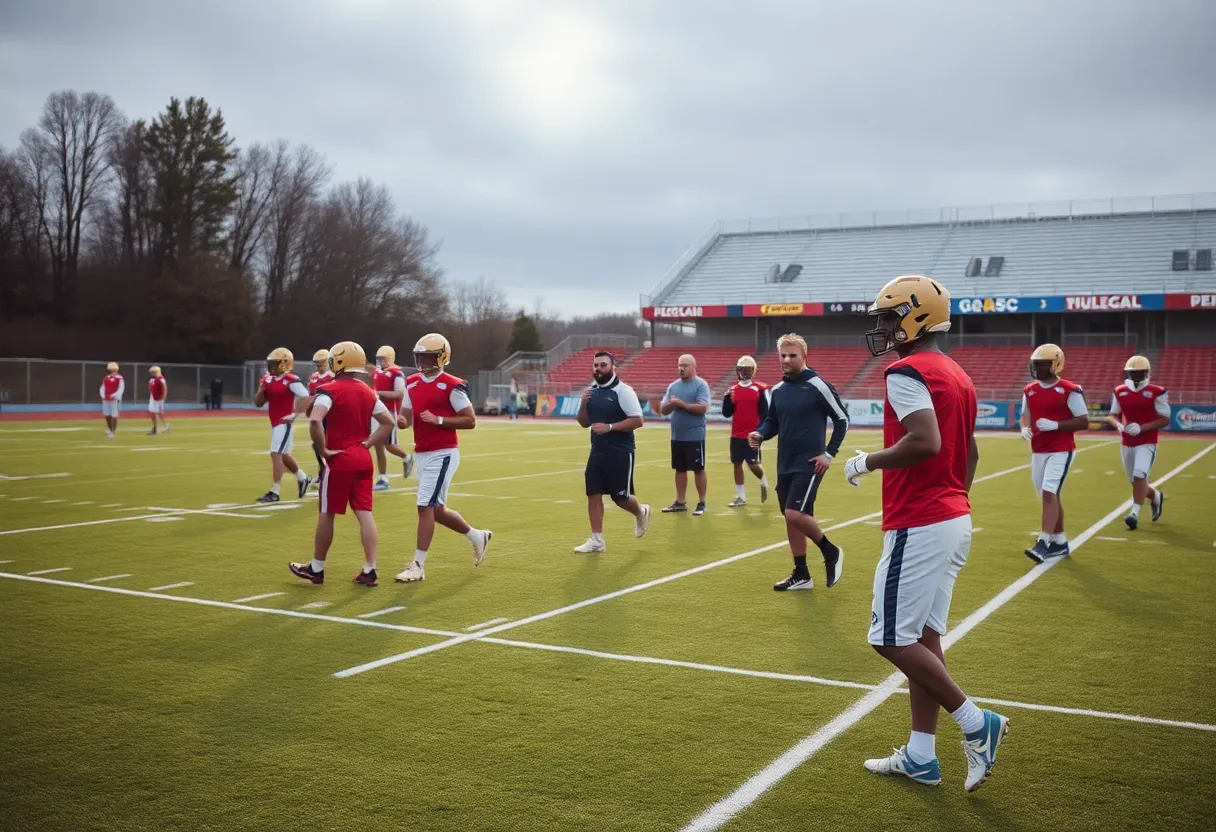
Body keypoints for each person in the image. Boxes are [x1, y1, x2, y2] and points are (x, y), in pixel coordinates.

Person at [846, 274, 1008, 793]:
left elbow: (925, 441)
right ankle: (921, 755)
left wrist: (866, 461)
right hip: (951, 515)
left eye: (889, 317)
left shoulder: (906, 369)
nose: (882, 327)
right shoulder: (956, 372)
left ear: (916, 315)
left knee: (889, 638)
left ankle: (976, 723)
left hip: (922, 519)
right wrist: (953, 500)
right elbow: (971, 453)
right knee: (924, 637)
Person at [289, 341, 395, 587]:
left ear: (337, 361)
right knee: (365, 514)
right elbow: (387, 422)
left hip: (339, 459)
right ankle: (370, 568)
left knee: (327, 514)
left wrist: (323, 449)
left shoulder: (330, 390)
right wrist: (368, 443)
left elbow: (315, 421)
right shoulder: (369, 391)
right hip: (362, 458)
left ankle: (317, 567)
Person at [748, 334, 847, 591]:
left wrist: (829, 454)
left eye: (792, 355)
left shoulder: (818, 385)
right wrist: (760, 433)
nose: (787, 360)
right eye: (783, 355)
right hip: (785, 462)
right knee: (791, 517)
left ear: (804, 356)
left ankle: (831, 551)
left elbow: (842, 420)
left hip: (810, 463)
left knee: (794, 513)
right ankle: (801, 574)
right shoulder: (777, 390)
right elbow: (773, 422)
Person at [393, 333, 492, 583]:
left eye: (428, 356)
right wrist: (400, 421)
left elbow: (470, 420)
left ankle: (418, 565)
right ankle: (477, 536)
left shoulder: (451, 384)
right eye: (421, 356)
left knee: (424, 506)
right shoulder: (412, 382)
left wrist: (439, 420)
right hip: (423, 452)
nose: (423, 361)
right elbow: (406, 416)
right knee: (436, 510)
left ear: (441, 357)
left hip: (444, 452)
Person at [574, 351, 650, 553]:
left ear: (613, 367)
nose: (598, 369)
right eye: (596, 365)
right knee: (593, 493)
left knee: (621, 498)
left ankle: (641, 511)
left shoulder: (623, 391)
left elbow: (638, 420)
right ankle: (597, 540)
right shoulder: (591, 391)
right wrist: (583, 404)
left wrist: (609, 427)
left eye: (603, 365)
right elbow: (583, 423)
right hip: (597, 451)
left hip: (621, 452)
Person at [1019, 344, 1089, 563]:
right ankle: (1060, 541)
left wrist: (1056, 425)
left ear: (1055, 364)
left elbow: (1084, 421)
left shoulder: (1070, 389)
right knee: (1048, 495)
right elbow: (1026, 413)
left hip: (1061, 449)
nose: (1037, 367)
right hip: (1038, 450)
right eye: (1035, 363)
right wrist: (1024, 427)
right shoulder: (1029, 389)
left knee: (1049, 492)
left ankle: (1043, 543)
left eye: (1042, 363)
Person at [1105, 355, 1169, 530]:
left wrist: (1142, 428)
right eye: (1132, 373)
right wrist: (1118, 424)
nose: (1135, 377)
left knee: (1140, 475)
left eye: (1138, 373)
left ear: (1146, 373)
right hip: (1126, 442)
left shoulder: (1157, 392)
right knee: (1136, 482)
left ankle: (1134, 514)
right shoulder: (1119, 390)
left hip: (1147, 441)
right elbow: (1112, 414)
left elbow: (1165, 419)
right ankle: (1155, 496)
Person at [253, 347, 313, 503]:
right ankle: (303, 478)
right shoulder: (268, 379)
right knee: (284, 455)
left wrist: (295, 414)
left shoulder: (291, 379)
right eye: (271, 363)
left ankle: (275, 491)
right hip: (274, 422)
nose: (271, 366)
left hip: (283, 422)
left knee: (276, 453)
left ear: (284, 364)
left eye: (275, 363)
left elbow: (306, 397)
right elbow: (258, 403)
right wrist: (261, 390)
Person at [660, 353, 712, 515]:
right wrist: (671, 404)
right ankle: (680, 501)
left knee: (698, 468)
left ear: (693, 367)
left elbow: (703, 408)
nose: (681, 368)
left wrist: (682, 404)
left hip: (695, 435)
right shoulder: (673, 386)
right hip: (677, 436)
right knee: (680, 469)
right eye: (679, 365)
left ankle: (702, 502)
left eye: (685, 365)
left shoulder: (700, 385)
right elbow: (663, 409)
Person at [722, 355, 770, 506]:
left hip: (752, 434)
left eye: (747, 370)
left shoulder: (760, 389)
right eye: (742, 369)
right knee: (737, 464)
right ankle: (741, 497)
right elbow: (726, 412)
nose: (744, 373)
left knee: (753, 464)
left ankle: (763, 481)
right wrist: (727, 399)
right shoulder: (732, 390)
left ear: (753, 371)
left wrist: (761, 432)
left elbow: (765, 413)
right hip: (736, 434)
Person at [372, 345, 414, 490]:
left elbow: (400, 393)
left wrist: (379, 394)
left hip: (389, 412)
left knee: (389, 445)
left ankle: (406, 456)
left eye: (383, 358)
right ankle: (383, 478)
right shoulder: (376, 372)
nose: (381, 361)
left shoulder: (396, 373)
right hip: (375, 412)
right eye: (379, 359)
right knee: (377, 445)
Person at [306, 349, 335, 486]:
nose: (318, 365)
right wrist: (308, 409)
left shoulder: (333, 376)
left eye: (320, 362)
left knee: (329, 443)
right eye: (316, 363)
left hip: (332, 415)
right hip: (319, 415)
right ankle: (323, 471)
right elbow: (310, 396)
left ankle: (331, 472)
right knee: (317, 444)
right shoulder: (313, 378)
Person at [100, 362, 124, 438]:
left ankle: (112, 431)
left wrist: (114, 395)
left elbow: (121, 388)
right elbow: (102, 388)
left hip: (115, 399)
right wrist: (103, 395)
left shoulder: (119, 378)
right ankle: (110, 429)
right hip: (106, 399)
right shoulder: (106, 378)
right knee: (107, 415)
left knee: (114, 415)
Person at [147, 366, 170, 435]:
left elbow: (165, 388)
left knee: (159, 413)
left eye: (153, 372)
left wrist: (163, 397)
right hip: (153, 399)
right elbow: (151, 389)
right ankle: (154, 428)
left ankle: (167, 425)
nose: (152, 374)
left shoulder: (161, 379)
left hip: (158, 399)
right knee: (152, 413)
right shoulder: (154, 380)